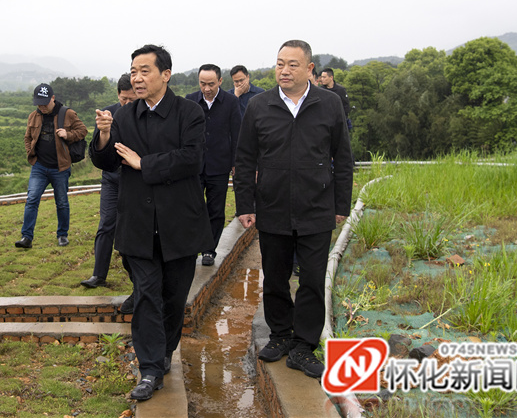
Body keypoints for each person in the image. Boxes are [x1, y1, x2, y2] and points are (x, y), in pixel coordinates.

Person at [90, 44, 213, 401]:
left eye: (145, 70)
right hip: (138, 225)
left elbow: (192, 159)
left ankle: (163, 352)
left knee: (174, 297)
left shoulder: (189, 113)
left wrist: (146, 165)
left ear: (165, 74)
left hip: (179, 225)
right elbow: (107, 162)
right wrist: (102, 135)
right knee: (146, 295)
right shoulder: (124, 117)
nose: (137, 77)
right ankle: (149, 368)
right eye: (133, 70)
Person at [234, 40, 353, 379]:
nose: (284, 71)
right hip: (272, 208)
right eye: (279, 64)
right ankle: (281, 335)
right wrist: (246, 204)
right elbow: (244, 159)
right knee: (274, 278)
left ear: (309, 69)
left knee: (313, 280)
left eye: (292, 65)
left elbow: (343, 158)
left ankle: (304, 346)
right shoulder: (259, 106)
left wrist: (340, 205)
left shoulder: (328, 104)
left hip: (317, 209)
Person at [80, 74, 136, 313]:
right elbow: (97, 153)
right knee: (106, 224)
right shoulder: (107, 116)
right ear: (118, 95)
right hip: (112, 180)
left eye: (132, 100)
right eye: (124, 100)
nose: (128, 104)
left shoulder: (145, 116)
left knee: (132, 230)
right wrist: (104, 132)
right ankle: (98, 274)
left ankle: (138, 285)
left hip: (136, 181)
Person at [15, 83, 87, 249]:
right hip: (39, 166)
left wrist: (67, 134)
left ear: (53, 98)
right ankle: (27, 237)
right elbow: (27, 137)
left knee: (61, 202)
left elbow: (82, 131)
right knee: (32, 199)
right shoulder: (33, 116)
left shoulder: (67, 114)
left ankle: (62, 235)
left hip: (60, 168)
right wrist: (29, 152)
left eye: (44, 103)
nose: (42, 106)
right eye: (39, 103)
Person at [186, 64, 241, 266]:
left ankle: (209, 249)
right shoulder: (190, 101)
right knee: (193, 207)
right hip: (194, 165)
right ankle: (192, 247)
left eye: (211, 84)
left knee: (216, 210)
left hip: (219, 164)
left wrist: (236, 163)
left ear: (220, 81)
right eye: (203, 84)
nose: (207, 88)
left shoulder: (231, 102)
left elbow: (237, 134)